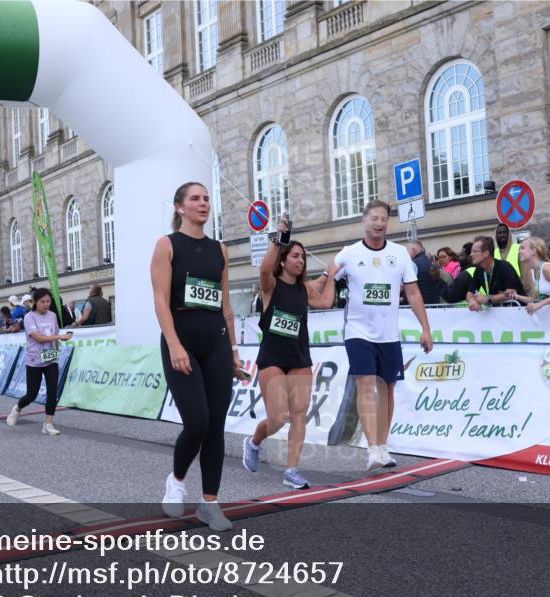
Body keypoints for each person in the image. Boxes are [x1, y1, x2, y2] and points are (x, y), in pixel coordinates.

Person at [151, 182, 242, 531]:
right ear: (179, 207)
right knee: (197, 421)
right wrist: (174, 343)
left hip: (216, 343)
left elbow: (226, 305)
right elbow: (160, 300)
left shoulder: (220, 249)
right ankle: (176, 480)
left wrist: (234, 351)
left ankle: (210, 502)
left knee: (216, 423)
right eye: (195, 198)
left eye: (206, 198)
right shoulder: (167, 245)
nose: (203, 203)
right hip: (181, 342)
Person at [330, 200, 433, 471]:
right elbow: (326, 280)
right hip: (357, 331)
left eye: (383, 219)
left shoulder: (400, 254)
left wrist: (426, 328)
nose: (379, 224)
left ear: (388, 222)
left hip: (388, 334)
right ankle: (372, 448)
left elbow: (412, 292)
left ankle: (383, 446)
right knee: (366, 384)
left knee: (387, 388)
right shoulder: (348, 254)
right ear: (364, 221)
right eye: (374, 218)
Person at [242, 216, 334, 489]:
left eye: (303, 257)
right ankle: (254, 440)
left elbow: (326, 301)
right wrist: (279, 237)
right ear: (283, 260)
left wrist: (331, 273)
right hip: (272, 358)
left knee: (298, 415)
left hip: (299, 358)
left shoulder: (304, 290)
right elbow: (263, 269)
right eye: (294, 256)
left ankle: (292, 470)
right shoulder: (271, 286)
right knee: (278, 418)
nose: (300, 260)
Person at [6, 287, 71, 436]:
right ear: (35, 302)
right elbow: (38, 338)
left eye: (48, 301)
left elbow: (55, 333)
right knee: (32, 394)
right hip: (34, 359)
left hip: (50, 359)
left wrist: (56, 349)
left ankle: (48, 424)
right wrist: (59, 338)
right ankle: (17, 409)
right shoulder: (29, 317)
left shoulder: (53, 315)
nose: (46, 304)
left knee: (53, 392)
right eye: (43, 302)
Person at [509, 236, 550, 314]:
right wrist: (517, 297)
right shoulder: (531, 271)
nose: (519, 251)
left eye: (523, 248)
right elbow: (534, 299)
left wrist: (540, 304)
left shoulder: (546, 268)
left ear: (533, 251)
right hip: (549, 317)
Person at [465, 235, 526, 311]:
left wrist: (488, 298)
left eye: (474, 251)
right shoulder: (479, 270)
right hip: (498, 313)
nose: (471, 254)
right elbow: (470, 293)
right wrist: (472, 300)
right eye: (471, 251)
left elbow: (511, 293)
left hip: (518, 312)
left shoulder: (504, 266)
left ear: (486, 253)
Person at [406, 240, 443, 305]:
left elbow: (409, 288)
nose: (405, 254)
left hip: (420, 305)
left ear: (413, 250)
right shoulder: (431, 263)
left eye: (406, 251)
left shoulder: (412, 264)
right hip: (434, 304)